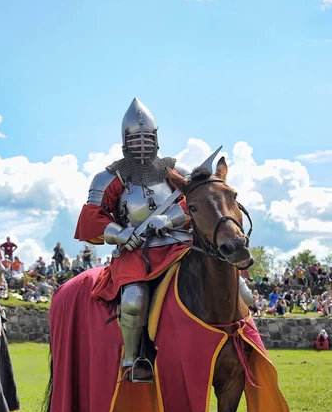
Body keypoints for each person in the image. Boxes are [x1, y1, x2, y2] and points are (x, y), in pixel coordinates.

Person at [74, 98, 252, 382]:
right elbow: (93, 217)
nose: (142, 143)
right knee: (134, 298)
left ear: (156, 137)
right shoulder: (108, 177)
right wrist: (122, 233)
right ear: (125, 140)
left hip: (181, 244)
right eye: (136, 137)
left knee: (240, 288)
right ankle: (135, 360)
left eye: (147, 137)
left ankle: (243, 345)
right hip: (138, 251)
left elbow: (199, 202)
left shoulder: (176, 171)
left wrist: (168, 219)